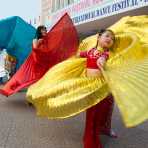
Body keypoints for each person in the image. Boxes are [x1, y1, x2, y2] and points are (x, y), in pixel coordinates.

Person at [79, 29, 117, 148]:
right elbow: (79, 55)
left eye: (112, 39)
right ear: (98, 37)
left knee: (106, 110)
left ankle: (105, 129)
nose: (110, 39)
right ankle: (90, 139)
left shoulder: (106, 54)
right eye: (107, 36)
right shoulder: (90, 51)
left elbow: (103, 59)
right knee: (92, 114)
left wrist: (102, 60)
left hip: (103, 87)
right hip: (91, 87)